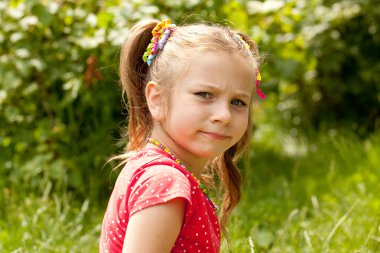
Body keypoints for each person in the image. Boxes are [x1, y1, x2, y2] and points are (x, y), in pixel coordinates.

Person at [100, 18, 265, 253]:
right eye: (205, 95)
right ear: (157, 99)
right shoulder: (165, 181)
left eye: (238, 102)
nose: (224, 115)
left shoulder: (157, 169)